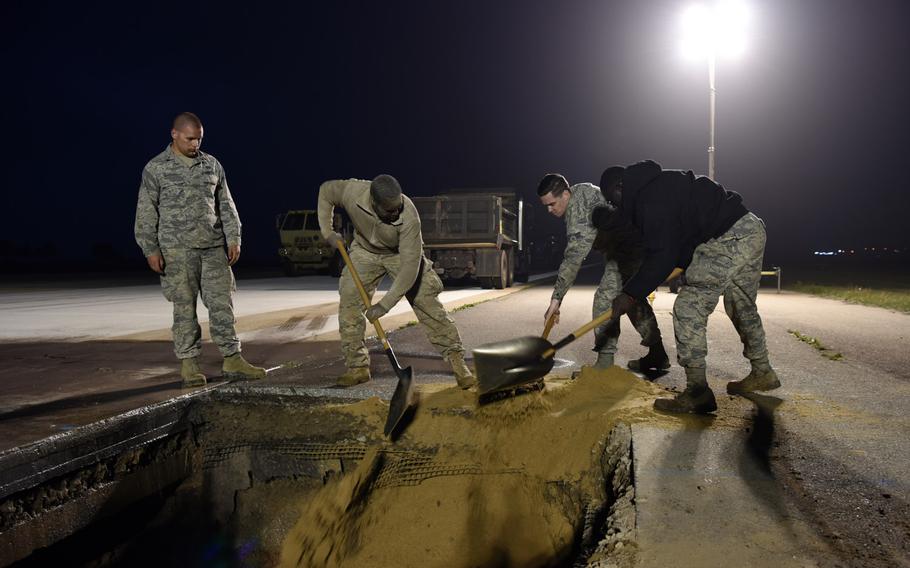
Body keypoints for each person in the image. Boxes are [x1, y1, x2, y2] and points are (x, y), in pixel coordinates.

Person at [597, 160, 779, 414]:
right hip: (750, 228)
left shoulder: (648, 200)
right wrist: (680, 266)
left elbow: (661, 254)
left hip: (728, 237)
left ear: (620, 187)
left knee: (688, 308)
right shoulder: (659, 185)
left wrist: (629, 294)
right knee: (741, 305)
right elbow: (682, 237)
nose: (617, 206)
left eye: (614, 200)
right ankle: (763, 371)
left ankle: (697, 392)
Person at [134, 112, 266, 388]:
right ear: (174, 134)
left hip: (213, 247)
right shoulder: (156, 168)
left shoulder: (211, 165)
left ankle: (232, 359)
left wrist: (234, 238)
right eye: (189, 138)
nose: (195, 144)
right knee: (184, 308)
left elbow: (226, 205)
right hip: (177, 250)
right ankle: (189, 365)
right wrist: (150, 249)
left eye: (199, 138)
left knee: (222, 305)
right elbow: (146, 211)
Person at [317, 175, 476, 389]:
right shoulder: (351, 192)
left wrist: (384, 305)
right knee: (349, 303)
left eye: (397, 208)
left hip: (399, 254)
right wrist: (327, 232)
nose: (395, 213)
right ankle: (357, 367)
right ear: (374, 204)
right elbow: (326, 191)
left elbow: (410, 267)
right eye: (389, 211)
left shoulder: (409, 216)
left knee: (426, 301)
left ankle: (458, 363)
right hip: (364, 251)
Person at [537, 174, 669, 371]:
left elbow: (574, 258)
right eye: (546, 205)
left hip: (632, 249)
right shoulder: (580, 191)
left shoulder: (576, 208)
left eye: (552, 204)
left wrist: (556, 300)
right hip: (635, 246)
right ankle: (658, 354)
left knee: (605, 298)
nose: (550, 210)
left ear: (566, 194)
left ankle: (605, 364)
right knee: (631, 299)